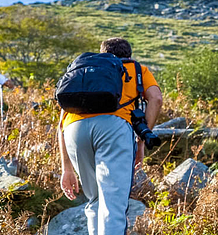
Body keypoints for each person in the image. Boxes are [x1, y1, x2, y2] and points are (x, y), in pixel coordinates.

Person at [59, 37, 164, 234]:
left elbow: (60, 124)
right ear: (129, 56)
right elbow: (156, 99)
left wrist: (67, 169)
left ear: (102, 53)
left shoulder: (84, 70)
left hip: (74, 129)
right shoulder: (136, 69)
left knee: (95, 200)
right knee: (113, 202)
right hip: (113, 128)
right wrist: (141, 139)